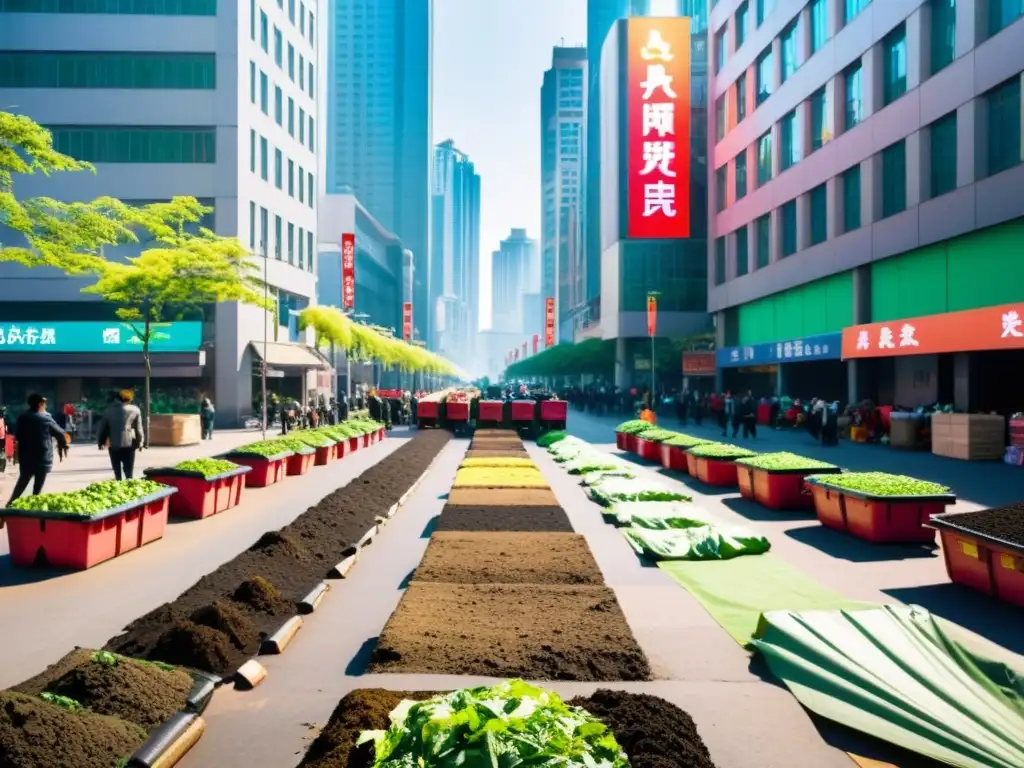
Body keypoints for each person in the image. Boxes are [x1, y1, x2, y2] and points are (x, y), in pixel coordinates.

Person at [6, 394, 68, 508]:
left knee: (21, 484)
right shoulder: (46, 418)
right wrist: (63, 444)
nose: (46, 405)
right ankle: (33, 511)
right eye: (44, 403)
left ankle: (9, 507)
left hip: (26, 457)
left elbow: (18, 437)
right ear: (40, 404)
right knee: (37, 488)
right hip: (43, 458)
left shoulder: (22, 417)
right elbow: (60, 434)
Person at [97, 390, 144, 481]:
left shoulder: (109, 411)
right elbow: (139, 428)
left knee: (117, 472)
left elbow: (103, 428)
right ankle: (129, 488)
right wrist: (140, 441)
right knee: (129, 472)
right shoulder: (135, 410)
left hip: (114, 443)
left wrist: (100, 442)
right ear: (130, 399)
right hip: (129, 443)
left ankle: (118, 484)